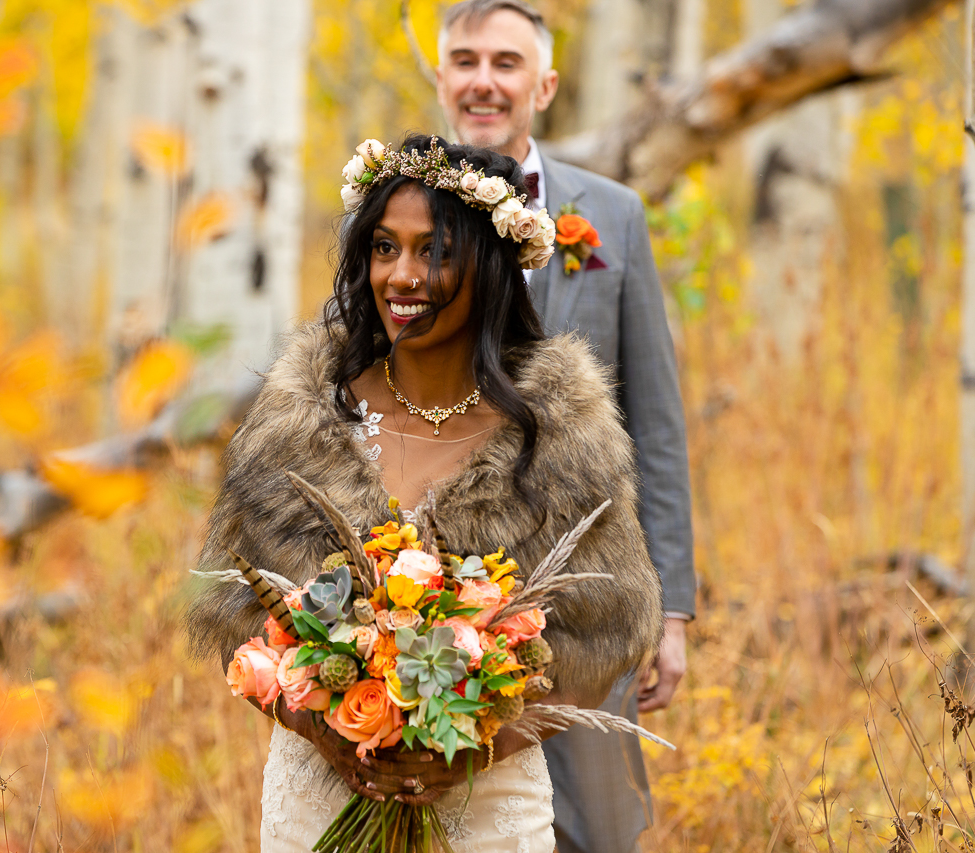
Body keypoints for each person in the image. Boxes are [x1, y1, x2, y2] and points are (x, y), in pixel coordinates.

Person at [185, 134, 663, 851]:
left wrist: (473, 747)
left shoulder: (559, 433)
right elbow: (231, 611)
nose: (402, 276)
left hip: (487, 801)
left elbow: (608, 628)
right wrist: (330, 728)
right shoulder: (298, 416)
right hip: (320, 794)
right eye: (384, 248)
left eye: (434, 252)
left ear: (490, 265)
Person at [435, 2, 697, 851]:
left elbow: (653, 421)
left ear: (543, 85)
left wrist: (673, 609)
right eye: (465, 59)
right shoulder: (392, 213)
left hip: (589, 593)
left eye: (505, 63)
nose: (483, 80)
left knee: (596, 826)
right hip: (430, 587)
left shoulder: (610, 216)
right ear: (441, 77)